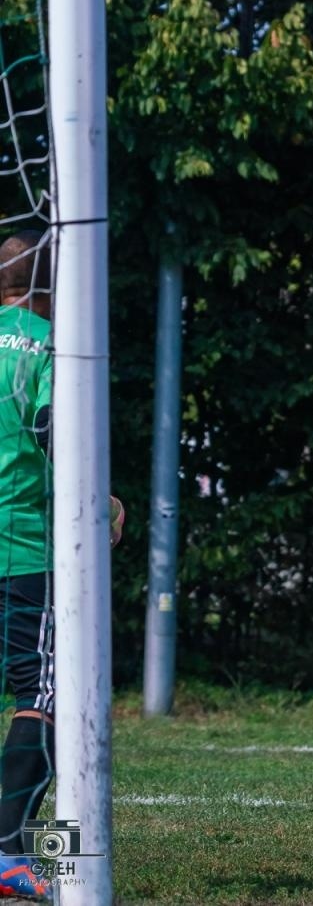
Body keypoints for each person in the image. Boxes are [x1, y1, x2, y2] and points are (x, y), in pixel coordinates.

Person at [0, 231, 122, 900]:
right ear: (50, 289)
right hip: (21, 550)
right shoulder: (44, 343)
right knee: (47, 701)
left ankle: (37, 854)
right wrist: (94, 495)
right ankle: (19, 854)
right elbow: (51, 427)